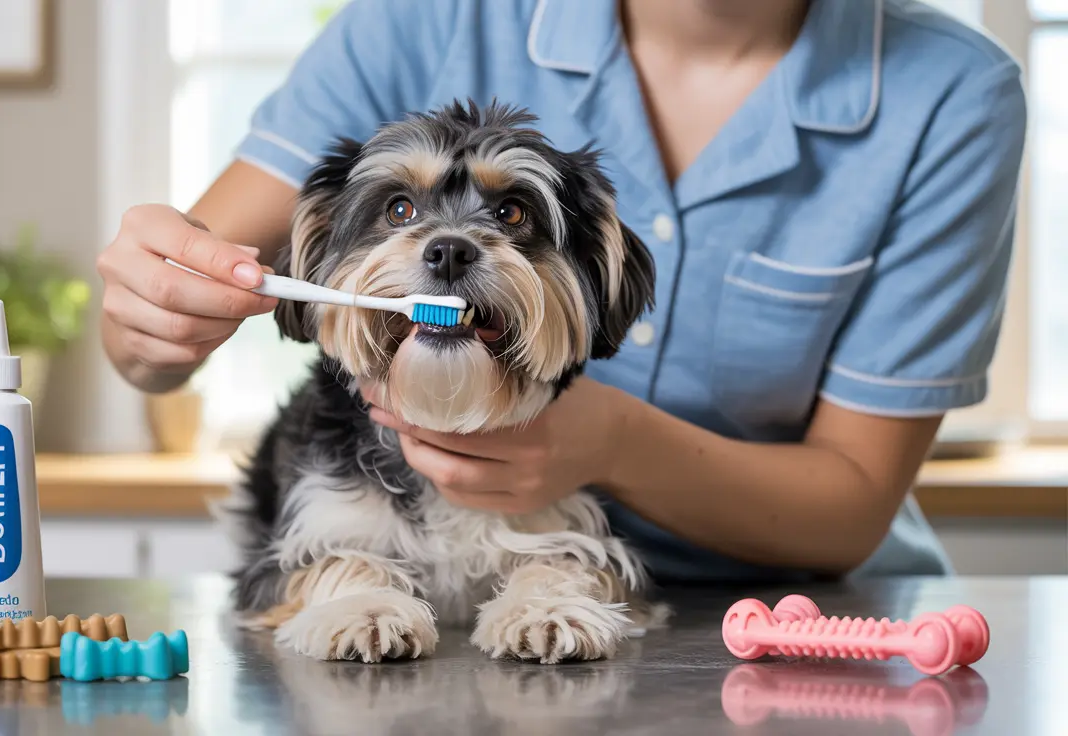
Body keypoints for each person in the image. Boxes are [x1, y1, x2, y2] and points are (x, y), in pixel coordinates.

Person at [96, 0, 1027, 582]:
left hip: (796, 620)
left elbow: (854, 503)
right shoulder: (427, 15)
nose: (451, 247)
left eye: (506, 222)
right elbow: (188, 279)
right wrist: (152, 324)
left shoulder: (952, 94)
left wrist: (607, 442)